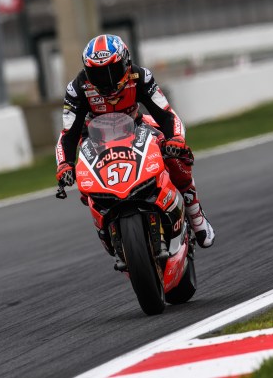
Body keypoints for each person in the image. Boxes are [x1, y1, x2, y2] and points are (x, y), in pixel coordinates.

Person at [55, 34, 215, 249]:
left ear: (126, 62)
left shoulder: (140, 76)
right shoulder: (77, 88)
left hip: (137, 126)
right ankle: (105, 226)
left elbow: (166, 114)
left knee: (176, 156)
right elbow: (68, 133)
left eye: (113, 70)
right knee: (84, 182)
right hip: (95, 137)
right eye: (98, 73)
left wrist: (175, 139)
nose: (107, 80)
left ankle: (195, 214)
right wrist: (64, 164)